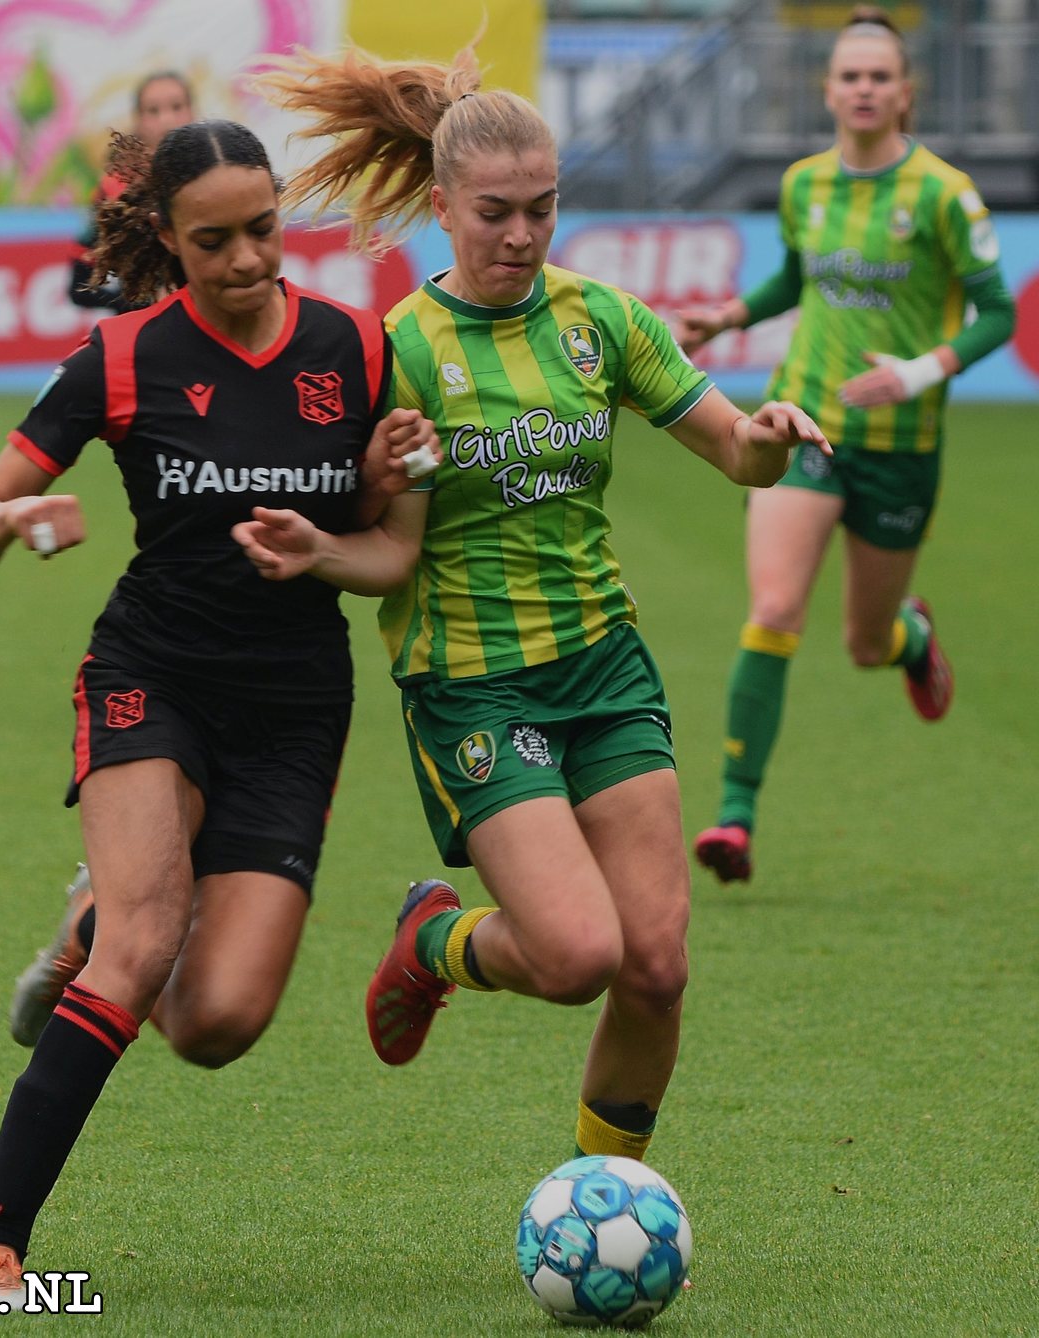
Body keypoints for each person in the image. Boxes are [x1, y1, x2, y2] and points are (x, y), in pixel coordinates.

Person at [246, 42, 826, 1165]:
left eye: (543, 210)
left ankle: (608, 1205)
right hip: (473, 688)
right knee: (574, 960)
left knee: (656, 965)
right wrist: (333, 526)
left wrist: (772, 435)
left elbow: (738, 456)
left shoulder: (600, 319)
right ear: (443, 206)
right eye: (496, 213)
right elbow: (388, 548)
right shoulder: (398, 352)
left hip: (603, 668)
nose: (521, 235)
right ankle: (438, 940)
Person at [0, 118, 435, 1299]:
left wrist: (329, 539)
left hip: (294, 707)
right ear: (167, 238)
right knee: (148, 943)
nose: (250, 260)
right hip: (150, 677)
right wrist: (12, 524)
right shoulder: (119, 359)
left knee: (215, 1024)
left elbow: (393, 561)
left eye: (264, 229)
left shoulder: (360, 349)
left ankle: (85, 927)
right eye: (214, 242)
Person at [672, 6, 1016, 884]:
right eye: (849, 75)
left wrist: (919, 371)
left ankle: (909, 642)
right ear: (829, 91)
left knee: (863, 641)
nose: (863, 88)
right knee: (776, 606)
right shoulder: (804, 185)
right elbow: (797, 275)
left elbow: (1001, 312)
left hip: (902, 441)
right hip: (808, 423)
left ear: (907, 92)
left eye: (880, 76)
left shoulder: (944, 194)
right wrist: (732, 314)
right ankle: (735, 819)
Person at [66, 70, 196, 313]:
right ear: (138, 119)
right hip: (149, 333)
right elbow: (78, 287)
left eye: (177, 107)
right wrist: (141, 304)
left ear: (193, 112)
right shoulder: (114, 190)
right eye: (153, 111)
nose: (167, 120)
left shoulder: (217, 177)